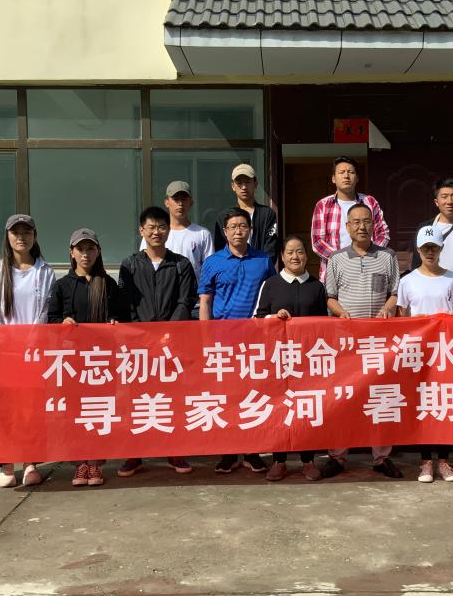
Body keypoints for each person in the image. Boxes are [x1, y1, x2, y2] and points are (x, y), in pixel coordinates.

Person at [322, 203, 403, 479]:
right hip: (346, 343)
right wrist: (341, 313)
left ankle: (381, 458)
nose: (361, 226)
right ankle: (337, 456)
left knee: (381, 397)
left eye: (366, 221)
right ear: (347, 227)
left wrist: (388, 308)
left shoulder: (387, 256)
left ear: (373, 224)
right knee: (343, 399)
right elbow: (330, 297)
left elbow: (395, 292)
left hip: (379, 343)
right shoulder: (335, 259)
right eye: (355, 222)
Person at [118, 206, 198, 477]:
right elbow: (126, 304)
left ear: (168, 230)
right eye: (151, 227)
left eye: (161, 227)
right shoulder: (129, 265)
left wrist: (168, 333)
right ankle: (134, 454)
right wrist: (141, 334)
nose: (156, 232)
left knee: (172, 398)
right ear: (141, 230)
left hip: (172, 344)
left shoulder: (181, 264)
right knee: (137, 400)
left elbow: (185, 301)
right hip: (138, 345)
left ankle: (175, 451)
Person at [199, 207, 277, 474]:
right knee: (226, 397)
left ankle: (252, 451)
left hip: (255, 342)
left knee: (253, 396)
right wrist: (206, 339)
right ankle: (229, 452)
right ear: (225, 232)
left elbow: (271, 295)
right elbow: (205, 302)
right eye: (232, 227)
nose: (238, 231)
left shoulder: (264, 260)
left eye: (243, 226)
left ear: (250, 230)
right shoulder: (212, 262)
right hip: (223, 342)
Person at [0, 214, 54, 488]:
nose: (21, 237)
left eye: (26, 232)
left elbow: (46, 311)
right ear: (8, 236)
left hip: (35, 353)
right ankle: (7, 463)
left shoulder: (45, 272)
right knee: (6, 410)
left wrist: (33, 342)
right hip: (5, 353)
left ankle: (31, 462)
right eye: (16, 232)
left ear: (34, 236)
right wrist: (5, 343)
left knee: (31, 410)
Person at [47, 228, 123, 488]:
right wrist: (62, 323)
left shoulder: (108, 284)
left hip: (101, 361)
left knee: (100, 410)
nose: (85, 254)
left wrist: (114, 322)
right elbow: (51, 319)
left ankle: (96, 462)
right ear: (71, 253)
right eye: (80, 249)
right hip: (73, 361)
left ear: (98, 251)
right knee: (75, 412)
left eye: (90, 248)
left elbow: (120, 316)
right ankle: (79, 463)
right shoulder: (62, 285)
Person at [253, 236, 329, 482]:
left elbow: (323, 324)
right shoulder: (271, 284)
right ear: (282, 257)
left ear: (307, 256)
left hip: (308, 361)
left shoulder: (317, 286)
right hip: (279, 361)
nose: (295, 257)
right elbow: (258, 319)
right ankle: (279, 461)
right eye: (290, 252)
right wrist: (274, 317)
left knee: (307, 409)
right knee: (280, 411)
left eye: (300, 252)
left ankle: (308, 461)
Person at [397, 225, 453, 483]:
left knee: (445, 404)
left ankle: (444, 461)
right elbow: (402, 318)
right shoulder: (407, 281)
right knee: (424, 406)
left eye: (434, 248)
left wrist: (448, 318)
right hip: (419, 353)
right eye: (426, 248)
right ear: (418, 250)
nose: (430, 252)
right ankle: (425, 461)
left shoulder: (452, 279)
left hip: (446, 353)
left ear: (441, 249)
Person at [311, 156, 390, 281]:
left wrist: (367, 255)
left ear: (357, 178)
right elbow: (317, 241)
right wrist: (341, 259)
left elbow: (383, 234)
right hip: (334, 272)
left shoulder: (369, 202)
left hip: (368, 268)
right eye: (341, 172)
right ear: (333, 178)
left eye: (351, 172)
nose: (346, 176)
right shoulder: (323, 205)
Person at [140, 180, 214, 285]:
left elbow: (209, 270)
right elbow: (144, 264)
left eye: (184, 199)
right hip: (161, 292)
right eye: (176, 199)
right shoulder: (154, 234)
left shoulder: (203, 234)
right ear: (166, 202)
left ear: (191, 202)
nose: (180, 204)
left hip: (193, 294)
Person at [212, 163, 279, 260]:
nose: (244, 187)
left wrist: (261, 265)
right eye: (239, 183)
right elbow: (220, 248)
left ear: (255, 184)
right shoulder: (224, 216)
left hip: (261, 267)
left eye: (247, 182)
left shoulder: (267, 214)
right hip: (231, 268)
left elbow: (271, 248)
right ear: (233, 186)